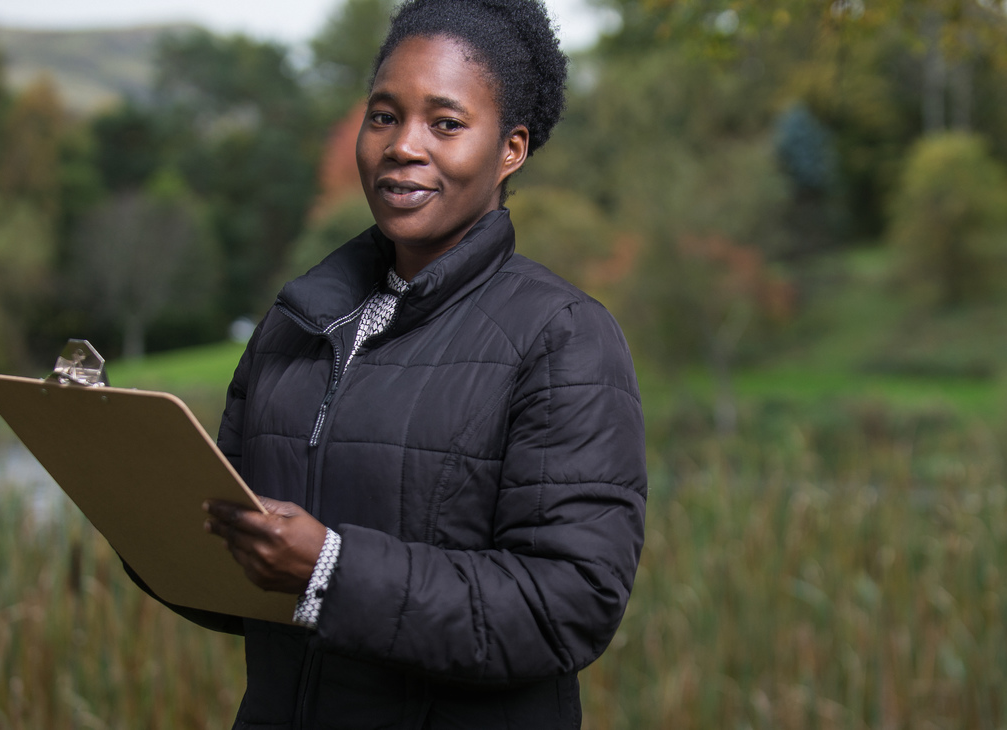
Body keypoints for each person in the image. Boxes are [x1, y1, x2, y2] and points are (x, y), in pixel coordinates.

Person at [161, 0, 646, 726]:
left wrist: (331, 568)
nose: (402, 146)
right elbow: (233, 574)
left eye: (445, 124)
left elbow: (566, 609)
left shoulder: (563, 336)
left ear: (509, 149)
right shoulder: (296, 324)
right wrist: (128, 497)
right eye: (384, 116)